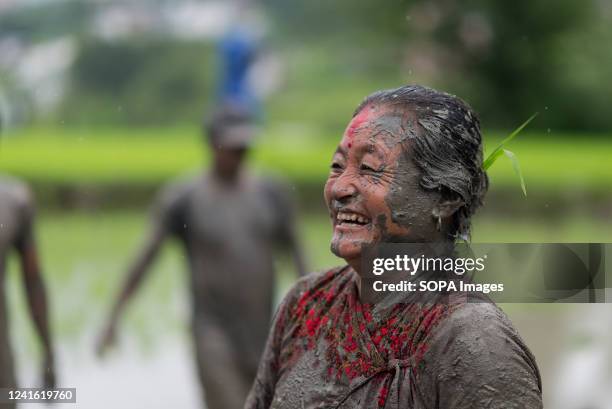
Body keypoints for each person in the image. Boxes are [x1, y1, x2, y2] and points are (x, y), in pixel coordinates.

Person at [245, 85, 543, 408]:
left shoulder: (475, 345)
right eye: (336, 166)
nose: (340, 187)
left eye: (370, 169)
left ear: (445, 199)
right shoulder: (305, 305)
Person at [97, 105, 307, 409]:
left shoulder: (271, 193)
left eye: (244, 146)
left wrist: (316, 319)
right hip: (213, 334)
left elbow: (299, 257)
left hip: (264, 331)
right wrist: (113, 318)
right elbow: (144, 260)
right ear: (212, 143)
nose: (240, 153)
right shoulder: (185, 198)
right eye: (233, 146)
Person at [0, 175, 56, 407]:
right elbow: (33, 284)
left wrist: (48, 354)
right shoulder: (12, 198)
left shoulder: (13, 199)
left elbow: (33, 283)